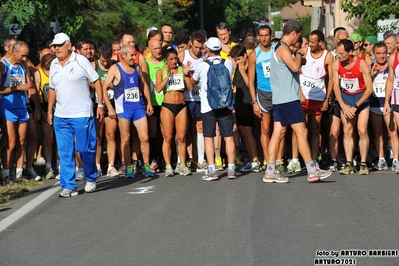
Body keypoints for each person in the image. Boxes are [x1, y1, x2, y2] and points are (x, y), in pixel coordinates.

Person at [265, 19, 332, 183]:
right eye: (299, 37)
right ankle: (312, 170)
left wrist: (299, 58)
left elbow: (294, 66)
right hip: (288, 98)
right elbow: (295, 67)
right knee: (302, 132)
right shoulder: (282, 48)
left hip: (282, 97)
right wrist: (300, 54)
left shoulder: (278, 48)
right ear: (293, 33)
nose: (300, 41)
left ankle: (270, 171)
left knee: (278, 133)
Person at [47, 33, 105, 197]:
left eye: (59, 45)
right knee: (65, 151)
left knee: (84, 149)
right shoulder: (54, 64)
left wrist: (100, 105)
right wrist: (50, 111)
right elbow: (52, 88)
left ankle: (91, 177)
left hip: (81, 113)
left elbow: (96, 81)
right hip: (61, 115)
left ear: (68, 45)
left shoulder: (80, 60)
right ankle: (69, 186)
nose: (56, 48)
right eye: (54, 46)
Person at [102, 45, 154, 178]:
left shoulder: (137, 68)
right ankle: (129, 167)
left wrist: (148, 102)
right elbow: (104, 88)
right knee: (126, 139)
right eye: (131, 55)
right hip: (123, 110)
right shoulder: (115, 68)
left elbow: (144, 85)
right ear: (122, 55)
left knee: (145, 138)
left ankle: (146, 165)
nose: (133, 57)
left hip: (139, 108)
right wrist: (110, 107)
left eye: (134, 55)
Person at [190, 37, 236, 180]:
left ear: (207, 50)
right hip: (225, 104)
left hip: (207, 106)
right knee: (228, 137)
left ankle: (212, 170)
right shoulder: (229, 64)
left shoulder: (202, 66)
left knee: (209, 137)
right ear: (221, 49)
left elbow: (192, 82)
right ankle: (231, 169)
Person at [292, 30, 334, 170]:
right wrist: (299, 93)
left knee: (315, 129)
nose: (309, 44)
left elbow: (331, 79)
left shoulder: (328, 57)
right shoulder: (304, 52)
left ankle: (314, 160)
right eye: (309, 41)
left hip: (318, 97)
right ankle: (295, 160)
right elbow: (294, 72)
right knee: (298, 129)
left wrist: (327, 98)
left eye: (312, 42)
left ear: (320, 43)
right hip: (303, 95)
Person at [0, 41, 39, 185]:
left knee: (21, 141)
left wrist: (31, 89)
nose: (24, 58)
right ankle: (6, 173)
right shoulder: (3, 65)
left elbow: (29, 85)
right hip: (7, 107)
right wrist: (17, 88)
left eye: (26, 56)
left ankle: (18, 173)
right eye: (22, 55)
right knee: (10, 141)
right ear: (14, 52)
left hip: (22, 107)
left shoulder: (23, 66)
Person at [332, 39, 373, 175]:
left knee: (362, 130)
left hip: (361, 98)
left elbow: (369, 89)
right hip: (346, 98)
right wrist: (343, 106)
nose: (339, 55)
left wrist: (356, 106)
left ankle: (362, 163)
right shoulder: (336, 64)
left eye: (342, 53)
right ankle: (349, 163)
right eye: (337, 53)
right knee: (348, 130)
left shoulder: (361, 64)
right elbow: (336, 87)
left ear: (350, 52)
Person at [156, 46, 191, 176]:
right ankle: (168, 165)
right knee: (168, 137)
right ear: (166, 60)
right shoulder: (161, 71)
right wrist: (167, 77)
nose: (174, 61)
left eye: (175, 58)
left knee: (181, 137)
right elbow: (158, 89)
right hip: (167, 106)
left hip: (181, 105)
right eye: (171, 59)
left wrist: (187, 75)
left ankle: (182, 164)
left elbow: (191, 88)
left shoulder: (181, 69)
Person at [230, 44, 261, 172]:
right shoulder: (237, 68)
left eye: (239, 59)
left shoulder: (250, 67)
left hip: (249, 102)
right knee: (243, 132)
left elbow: (251, 85)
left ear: (245, 55)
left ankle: (256, 160)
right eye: (235, 60)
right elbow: (236, 87)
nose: (237, 62)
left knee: (248, 132)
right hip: (239, 103)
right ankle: (251, 159)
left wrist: (243, 72)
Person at [179, 30, 207, 172]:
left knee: (200, 128)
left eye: (200, 47)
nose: (198, 50)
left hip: (200, 97)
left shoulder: (204, 56)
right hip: (185, 98)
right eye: (195, 47)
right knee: (184, 130)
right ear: (190, 43)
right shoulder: (182, 56)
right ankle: (182, 160)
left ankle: (200, 160)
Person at [91, 44, 119, 177]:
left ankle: (111, 166)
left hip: (112, 103)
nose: (106, 63)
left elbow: (119, 82)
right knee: (98, 136)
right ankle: (97, 165)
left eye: (108, 60)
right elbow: (87, 82)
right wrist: (98, 85)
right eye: (103, 61)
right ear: (98, 56)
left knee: (111, 135)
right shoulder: (93, 66)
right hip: (98, 104)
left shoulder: (115, 65)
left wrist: (109, 85)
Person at [370, 42, 399, 171]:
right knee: (378, 132)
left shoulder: (391, 65)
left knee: (392, 132)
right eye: (379, 54)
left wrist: (388, 101)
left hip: (388, 103)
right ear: (374, 54)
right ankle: (381, 158)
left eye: (384, 53)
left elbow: (392, 81)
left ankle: (396, 159)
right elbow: (364, 84)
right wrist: (371, 74)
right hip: (375, 104)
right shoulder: (371, 66)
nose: (382, 56)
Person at [34, 53, 57, 180]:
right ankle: (48, 167)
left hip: (59, 106)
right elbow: (36, 94)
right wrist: (39, 109)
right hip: (44, 106)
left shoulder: (59, 72)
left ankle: (60, 165)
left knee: (59, 139)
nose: (49, 71)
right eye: (47, 69)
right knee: (48, 138)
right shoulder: (39, 74)